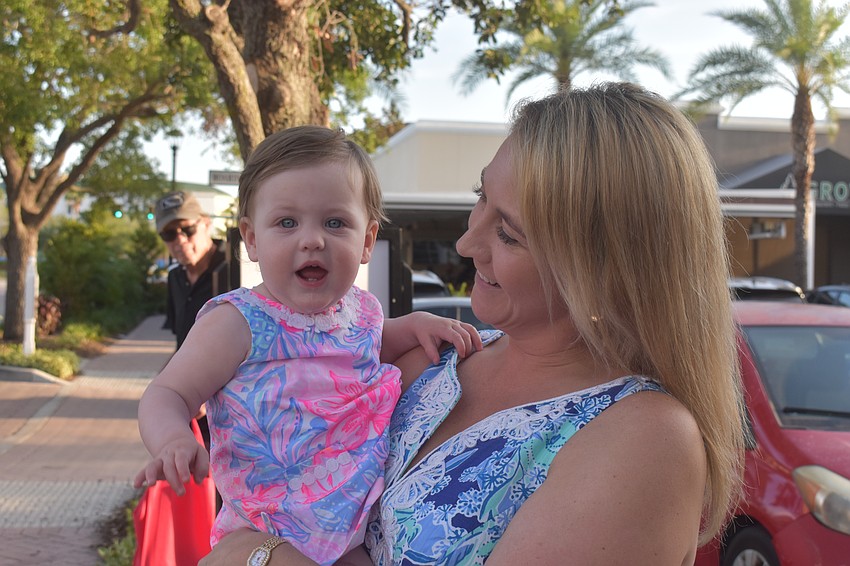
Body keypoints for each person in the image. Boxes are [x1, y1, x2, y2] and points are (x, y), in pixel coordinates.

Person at [199, 82, 747, 566]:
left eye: (508, 234)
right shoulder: (438, 360)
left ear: (604, 268)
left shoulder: (643, 441)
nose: (466, 244)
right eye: (480, 197)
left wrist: (259, 555)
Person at [134, 126, 482, 566]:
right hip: (264, 535)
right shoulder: (236, 323)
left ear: (367, 241)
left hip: (355, 535)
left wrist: (415, 326)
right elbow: (168, 392)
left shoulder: (362, 311)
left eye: (335, 223)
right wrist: (171, 440)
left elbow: (374, 344)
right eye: (287, 222)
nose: (313, 239)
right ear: (252, 239)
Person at [132, 190, 227, 566]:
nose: (180, 241)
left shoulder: (233, 269)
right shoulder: (175, 279)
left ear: (205, 224)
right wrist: (165, 388)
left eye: (186, 229)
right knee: (193, 501)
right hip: (190, 414)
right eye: (169, 235)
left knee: (227, 507)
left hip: (232, 413)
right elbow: (181, 345)